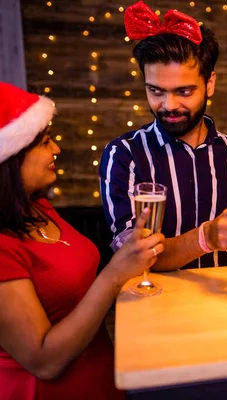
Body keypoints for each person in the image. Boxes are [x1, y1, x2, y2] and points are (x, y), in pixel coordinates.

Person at [0, 82, 165, 399]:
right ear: (11, 157)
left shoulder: (38, 208)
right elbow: (44, 361)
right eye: (45, 142)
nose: (56, 150)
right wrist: (115, 274)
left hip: (101, 379)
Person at [100, 1, 227, 271]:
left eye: (184, 92)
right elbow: (132, 256)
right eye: (156, 91)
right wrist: (206, 237)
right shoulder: (124, 154)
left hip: (225, 299)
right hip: (154, 302)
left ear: (209, 84)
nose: (169, 105)